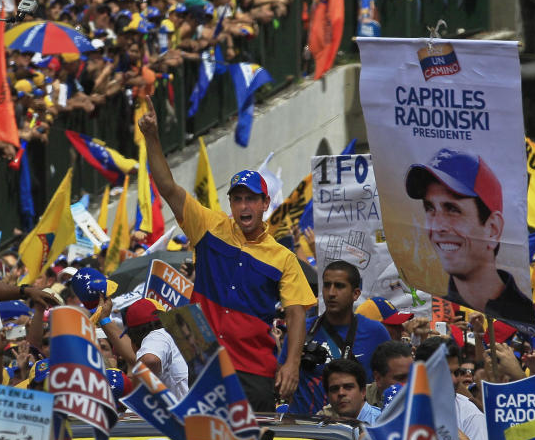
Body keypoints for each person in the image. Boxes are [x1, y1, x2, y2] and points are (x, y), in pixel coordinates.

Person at [138, 97, 315, 411]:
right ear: (230, 204)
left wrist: (292, 364)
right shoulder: (208, 225)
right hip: (205, 365)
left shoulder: (284, 257)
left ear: (265, 203)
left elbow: (296, 313)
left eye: (251, 199)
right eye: (237, 199)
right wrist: (152, 137)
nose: (244, 206)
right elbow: (166, 185)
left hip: (254, 369)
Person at [405, 147, 535, 323]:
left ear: (493, 228)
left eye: (452, 209)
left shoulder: (527, 319)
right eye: (430, 208)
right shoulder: (432, 315)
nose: (437, 226)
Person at [282, 261, 391, 415]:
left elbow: (390, 384)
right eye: (327, 285)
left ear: (356, 294)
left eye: (339, 286)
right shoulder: (299, 330)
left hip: (352, 432)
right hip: (303, 428)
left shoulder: (375, 332)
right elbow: (280, 385)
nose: (331, 293)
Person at [414, 336, 488, 440]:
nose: (454, 379)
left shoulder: (471, 416)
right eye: (444, 372)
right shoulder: (402, 408)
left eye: (457, 372)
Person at [108, 297, 190, 397]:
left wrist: (136, 398)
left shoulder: (159, 334)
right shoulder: (180, 336)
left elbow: (150, 360)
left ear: (134, 337)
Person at [320, 358, 382, 425]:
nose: (341, 393)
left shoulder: (384, 423)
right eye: (335, 389)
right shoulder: (322, 429)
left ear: (363, 392)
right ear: (328, 395)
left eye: (348, 387)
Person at [367, 340, 413, 407]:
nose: (408, 384)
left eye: (412, 376)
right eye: (400, 378)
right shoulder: (359, 400)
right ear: (378, 378)